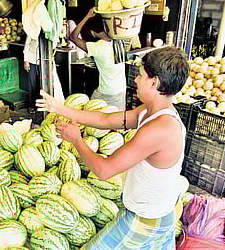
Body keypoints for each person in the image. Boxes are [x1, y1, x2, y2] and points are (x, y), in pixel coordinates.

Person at [36, 46, 190, 249]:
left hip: (144, 221)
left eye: (140, 75)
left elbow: (104, 170)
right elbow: (105, 119)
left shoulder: (159, 129)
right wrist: (59, 108)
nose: (135, 80)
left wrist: (76, 140)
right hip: (157, 215)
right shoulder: (152, 112)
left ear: (154, 82)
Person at [70, 7, 126, 110]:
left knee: (89, 114)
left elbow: (73, 37)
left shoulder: (98, 47)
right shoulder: (119, 41)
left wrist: (87, 16)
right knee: (118, 121)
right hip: (121, 91)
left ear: (93, 32)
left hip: (106, 93)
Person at [23, 36, 40, 114]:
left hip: (44, 61)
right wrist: (26, 61)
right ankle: (31, 106)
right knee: (32, 85)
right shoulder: (31, 30)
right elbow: (26, 45)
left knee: (41, 85)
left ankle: (40, 105)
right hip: (32, 61)